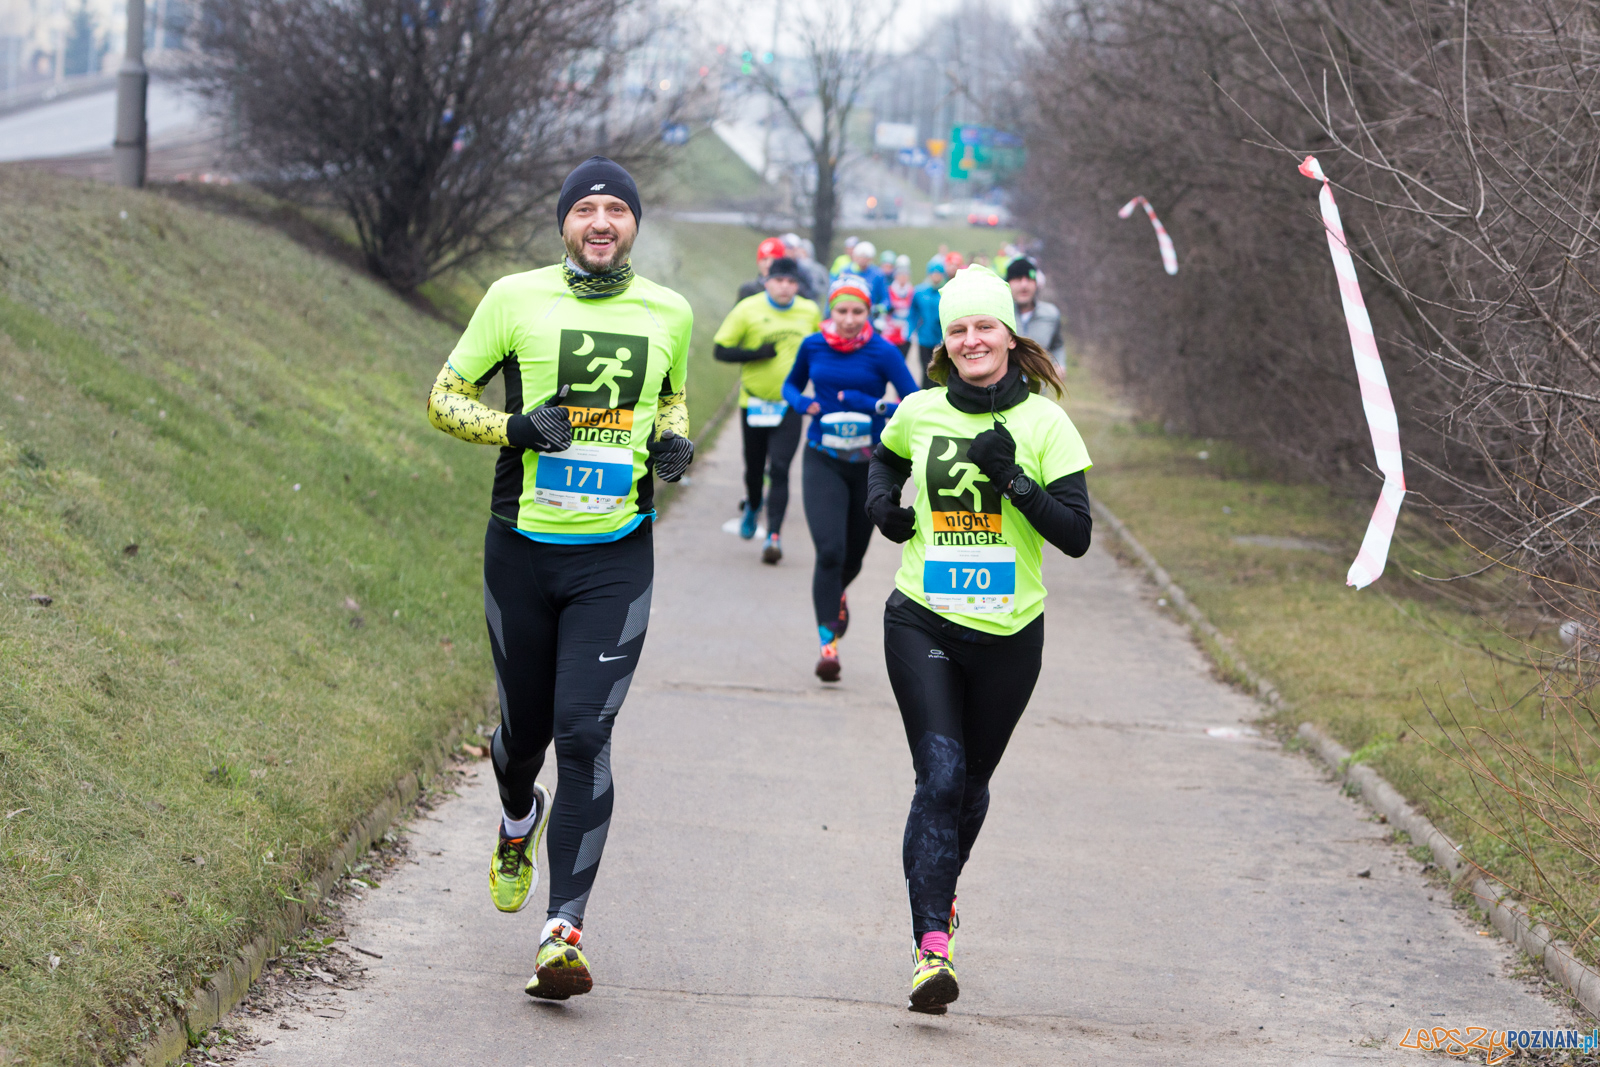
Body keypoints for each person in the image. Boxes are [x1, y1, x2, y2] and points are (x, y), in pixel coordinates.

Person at [425, 156, 695, 1002]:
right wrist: (515, 428)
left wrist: (673, 441)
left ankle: (561, 931)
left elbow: (671, 398)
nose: (602, 221)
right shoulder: (514, 298)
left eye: (617, 209)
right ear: (565, 224)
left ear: (634, 225)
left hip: (616, 556)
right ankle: (519, 816)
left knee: (582, 733)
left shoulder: (670, 311)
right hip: (522, 550)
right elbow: (443, 397)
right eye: (586, 209)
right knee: (524, 736)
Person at [866, 264, 1092, 1015]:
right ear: (945, 342)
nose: (971, 340)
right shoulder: (920, 410)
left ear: (1010, 334)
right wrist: (881, 504)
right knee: (939, 778)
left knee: (969, 786)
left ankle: (940, 893)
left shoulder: (1046, 425)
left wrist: (1017, 483)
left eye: (984, 326)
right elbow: (886, 458)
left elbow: (1077, 535)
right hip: (922, 617)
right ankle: (932, 946)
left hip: (1010, 635)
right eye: (957, 329)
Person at [783, 276, 920, 682]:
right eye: (841, 311)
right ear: (831, 310)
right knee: (830, 551)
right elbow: (790, 385)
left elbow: (914, 403)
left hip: (870, 466)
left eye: (857, 311)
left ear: (868, 312)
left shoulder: (883, 351)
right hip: (822, 459)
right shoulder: (813, 346)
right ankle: (828, 645)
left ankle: (835, 593)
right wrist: (801, 402)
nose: (848, 319)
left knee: (853, 557)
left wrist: (873, 405)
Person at [713, 257, 821, 563]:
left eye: (791, 281)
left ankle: (774, 535)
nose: (785, 287)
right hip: (754, 403)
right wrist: (756, 353)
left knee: (781, 469)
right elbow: (720, 350)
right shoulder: (748, 309)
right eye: (779, 280)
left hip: (790, 405)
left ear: (797, 285)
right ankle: (753, 504)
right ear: (767, 282)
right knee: (754, 467)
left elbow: (821, 346)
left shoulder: (809, 311)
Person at [1007, 257, 1066, 371]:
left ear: (1036, 284)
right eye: (1018, 279)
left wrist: (1060, 364)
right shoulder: (999, 316)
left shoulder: (1051, 314)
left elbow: (1057, 345)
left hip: (1039, 381)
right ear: (1008, 283)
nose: (1024, 285)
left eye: (1029, 279)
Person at [907, 258, 948, 384]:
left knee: (939, 370)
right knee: (925, 370)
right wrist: (910, 331)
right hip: (924, 338)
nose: (936, 276)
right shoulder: (919, 292)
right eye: (933, 272)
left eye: (939, 273)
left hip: (940, 339)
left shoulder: (946, 292)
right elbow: (913, 313)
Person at [838, 240, 891, 314]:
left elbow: (886, 300)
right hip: (847, 313)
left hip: (869, 315)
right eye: (860, 256)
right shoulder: (846, 272)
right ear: (854, 256)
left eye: (866, 257)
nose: (862, 260)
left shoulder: (877, 274)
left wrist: (878, 309)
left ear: (871, 259)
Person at [737, 237, 793, 301]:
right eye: (764, 259)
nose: (768, 264)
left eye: (774, 259)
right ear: (758, 262)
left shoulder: (792, 291)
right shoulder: (748, 291)